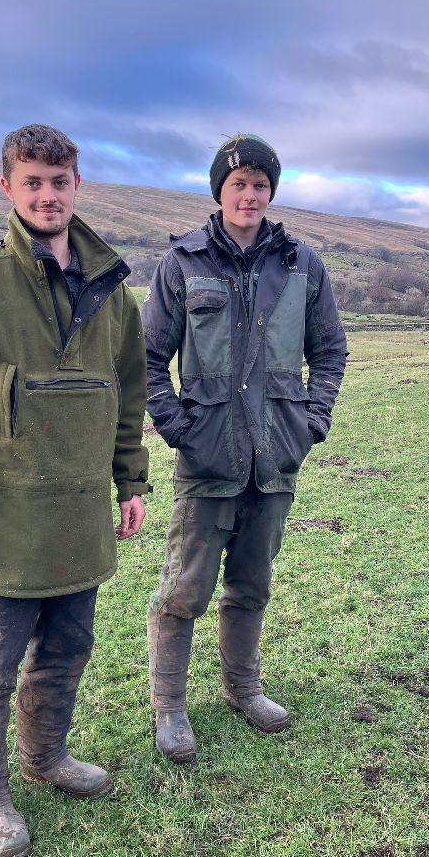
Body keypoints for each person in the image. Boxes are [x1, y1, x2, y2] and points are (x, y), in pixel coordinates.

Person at [0, 124, 150, 857]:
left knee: (68, 651)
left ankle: (45, 756)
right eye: (33, 182)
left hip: (79, 514)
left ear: (78, 186)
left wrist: (131, 480)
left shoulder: (114, 294)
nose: (48, 195)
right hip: (3, 519)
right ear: (7, 187)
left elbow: (126, 397)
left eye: (60, 181)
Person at [142, 133, 347, 763]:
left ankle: (242, 688)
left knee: (251, 585)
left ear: (271, 192)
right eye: (239, 184)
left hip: (276, 456)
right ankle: (170, 709)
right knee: (185, 590)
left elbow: (329, 351)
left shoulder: (301, 265)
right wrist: (182, 431)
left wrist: (311, 424)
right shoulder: (183, 263)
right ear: (219, 191)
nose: (250, 195)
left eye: (260, 185)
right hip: (207, 461)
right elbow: (147, 359)